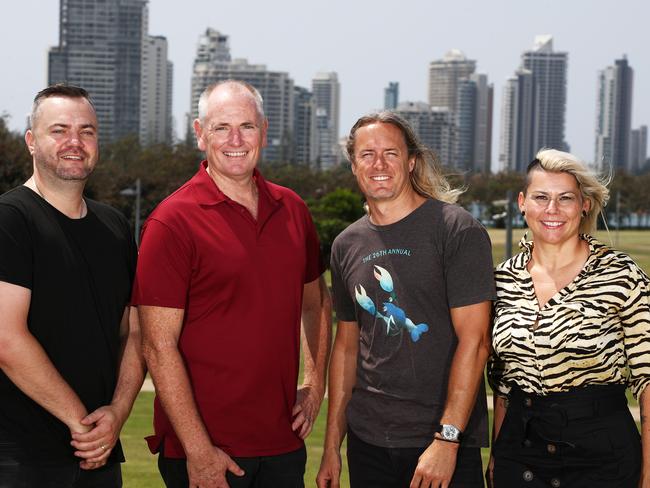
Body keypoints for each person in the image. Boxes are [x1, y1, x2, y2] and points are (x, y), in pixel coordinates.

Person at [132, 80, 331, 488]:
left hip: (282, 445)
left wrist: (314, 385)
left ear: (265, 130)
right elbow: (157, 344)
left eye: (247, 126)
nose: (235, 140)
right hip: (206, 452)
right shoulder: (171, 222)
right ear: (200, 134)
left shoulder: (292, 209)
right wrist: (199, 451)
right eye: (221, 127)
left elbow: (316, 303)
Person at [316, 112, 495, 488]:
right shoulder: (346, 244)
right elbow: (347, 348)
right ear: (353, 165)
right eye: (366, 154)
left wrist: (447, 440)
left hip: (440, 444)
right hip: (369, 444)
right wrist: (332, 444)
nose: (378, 164)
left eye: (390, 153)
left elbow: (476, 342)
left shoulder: (455, 228)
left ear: (411, 161)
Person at [0, 84, 144, 487]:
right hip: (22, 458)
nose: (74, 143)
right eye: (59, 130)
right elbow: (6, 339)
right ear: (31, 141)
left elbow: (133, 330)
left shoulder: (114, 227)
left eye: (87, 131)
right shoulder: (11, 220)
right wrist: (82, 424)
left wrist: (117, 411)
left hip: (99, 456)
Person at [487, 149, 650, 487]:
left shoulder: (621, 275)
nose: (552, 210)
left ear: (584, 204)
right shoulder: (501, 280)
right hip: (520, 453)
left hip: (603, 455)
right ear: (522, 202)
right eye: (541, 197)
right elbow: (504, 387)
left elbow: (648, 383)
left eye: (565, 198)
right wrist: (498, 459)